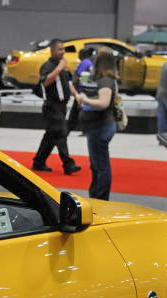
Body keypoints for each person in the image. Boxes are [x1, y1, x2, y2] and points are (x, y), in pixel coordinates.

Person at [31, 39, 81, 175]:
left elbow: (68, 83)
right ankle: (68, 164)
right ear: (52, 51)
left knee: (51, 136)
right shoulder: (47, 66)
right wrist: (59, 68)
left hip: (62, 106)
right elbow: (46, 82)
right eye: (60, 49)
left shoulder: (62, 65)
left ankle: (38, 162)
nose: (63, 52)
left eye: (63, 49)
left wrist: (76, 95)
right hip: (52, 106)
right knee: (61, 132)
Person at [75, 49, 118, 200]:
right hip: (98, 126)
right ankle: (97, 196)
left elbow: (103, 103)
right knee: (97, 164)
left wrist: (85, 100)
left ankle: (100, 198)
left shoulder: (105, 80)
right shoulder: (105, 79)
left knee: (100, 166)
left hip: (100, 127)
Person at [67, 46, 95, 133]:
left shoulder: (85, 62)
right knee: (78, 111)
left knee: (75, 113)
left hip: (81, 91)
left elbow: (80, 76)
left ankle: (68, 129)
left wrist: (73, 84)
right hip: (85, 91)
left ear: (83, 54)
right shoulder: (90, 62)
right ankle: (85, 129)